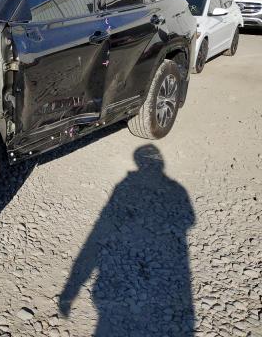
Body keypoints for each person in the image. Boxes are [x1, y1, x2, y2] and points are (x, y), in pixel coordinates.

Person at [59, 144, 195, 336]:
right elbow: (189, 219)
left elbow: (100, 228)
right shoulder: (176, 189)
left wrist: (70, 291)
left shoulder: (125, 184)